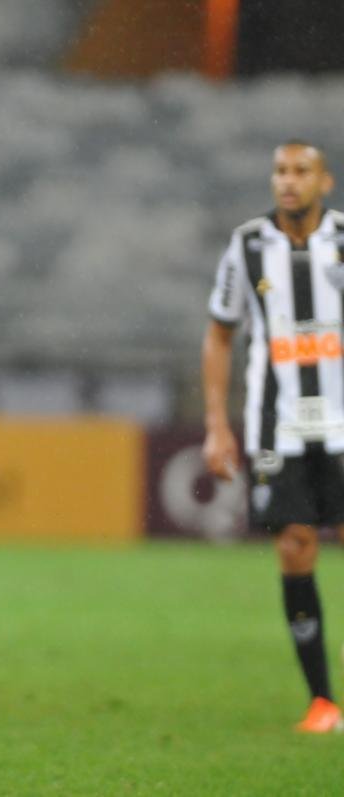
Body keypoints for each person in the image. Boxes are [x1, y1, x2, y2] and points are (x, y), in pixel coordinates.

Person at [203, 139, 344, 733]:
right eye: (281, 171)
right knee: (294, 545)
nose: (288, 181)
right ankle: (322, 702)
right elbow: (219, 335)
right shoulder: (248, 244)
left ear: (324, 182)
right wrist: (217, 425)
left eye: (301, 171)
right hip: (277, 426)